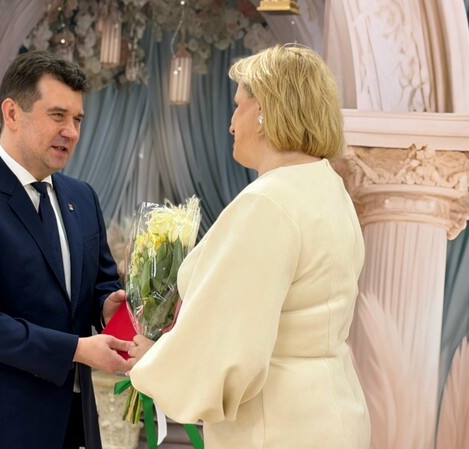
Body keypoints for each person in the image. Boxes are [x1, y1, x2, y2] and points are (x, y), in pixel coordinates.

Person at [127, 45, 371, 448]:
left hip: (276, 424)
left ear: (263, 111)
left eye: (238, 106)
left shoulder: (268, 202)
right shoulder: (328, 187)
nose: (230, 124)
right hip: (333, 409)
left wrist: (153, 363)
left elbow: (233, 345)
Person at [0, 51, 133, 449]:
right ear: (12, 113)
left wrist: (108, 307)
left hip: (70, 427)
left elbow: (98, 286)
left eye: (78, 119)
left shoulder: (83, 198)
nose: (71, 131)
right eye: (58, 115)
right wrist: (77, 349)